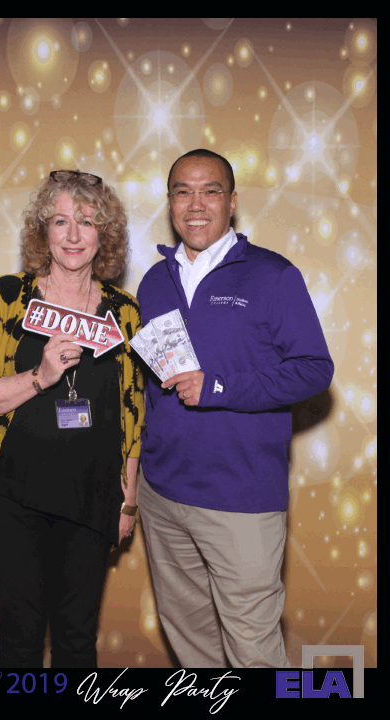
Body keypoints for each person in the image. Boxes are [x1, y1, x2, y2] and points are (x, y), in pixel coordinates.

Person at [136, 149, 334, 668]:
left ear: (232, 202)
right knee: (190, 639)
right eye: (183, 191)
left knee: (253, 649)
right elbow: (150, 384)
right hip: (162, 494)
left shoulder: (273, 275)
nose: (196, 204)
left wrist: (220, 387)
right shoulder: (153, 282)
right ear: (170, 202)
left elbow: (314, 369)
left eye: (211, 191)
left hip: (241, 499)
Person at [0, 169, 144, 668]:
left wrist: (128, 500)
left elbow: (133, 408)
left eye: (87, 221)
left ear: (105, 233)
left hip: (91, 497)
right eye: (60, 221)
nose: (73, 235)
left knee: (77, 643)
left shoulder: (125, 312)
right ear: (43, 231)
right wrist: (38, 376)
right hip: (11, 495)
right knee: (20, 642)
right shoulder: (7, 297)